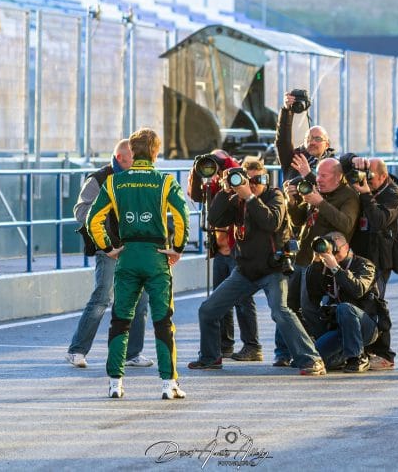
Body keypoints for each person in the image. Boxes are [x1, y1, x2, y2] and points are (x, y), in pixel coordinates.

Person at [187, 159, 326, 376]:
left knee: (280, 311)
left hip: (273, 269)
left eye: (256, 180)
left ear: (265, 180)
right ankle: (210, 357)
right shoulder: (237, 200)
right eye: (246, 180)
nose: (251, 185)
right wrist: (225, 191)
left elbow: (271, 222)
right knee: (208, 310)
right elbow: (215, 219)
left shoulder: (275, 196)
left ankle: (311, 359)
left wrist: (250, 198)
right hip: (245, 270)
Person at [86, 128, 189, 399]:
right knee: (163, 320)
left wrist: (108, 247)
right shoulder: (165, 181)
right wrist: (177, 248)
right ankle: (168, 383)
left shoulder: (114, 182)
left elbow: (93, 219)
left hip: (128, 254)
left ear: (132, 151)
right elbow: (182, 215)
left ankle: (115, 382)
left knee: (120, 319)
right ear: (155, 152)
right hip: (156, 255)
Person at [65, 139, 153, 370]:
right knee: (102, 297)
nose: (138, 162)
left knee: (141, 300)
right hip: (109, 249)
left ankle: (133, 353)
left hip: (135, 247)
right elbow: (81, 211)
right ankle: (77, 350)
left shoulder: (140, 177)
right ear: (120, 158)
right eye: (133, 158)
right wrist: (107, 236)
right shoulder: (98, 179)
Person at [272, 157, 359, 366]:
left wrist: (320, 202)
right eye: (317, 174)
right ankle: (283, 352)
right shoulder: (315, 189)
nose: (318, 179)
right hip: (302, 256)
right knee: (287, 305)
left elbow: (346, 225)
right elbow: (298, 221)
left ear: (338, 177)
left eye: (323, 175)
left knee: (308, 308)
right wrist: (293, 201)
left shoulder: (348, 196)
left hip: (322, 262)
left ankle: (315, 351)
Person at [188, 150, 262, 362]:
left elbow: (234, 173)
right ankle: (225, 343)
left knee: (243, 300)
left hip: (237, 251)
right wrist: (197, 169)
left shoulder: (236, 178)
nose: (214, 166)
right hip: (219, 251)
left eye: (218, 162)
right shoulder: (215, 185)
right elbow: (196, 196)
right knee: (221, 300)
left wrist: (225, 162)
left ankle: (252, 345)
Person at [344, 156, 398, 370]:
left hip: (380, 258)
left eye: (370, 178)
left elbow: (379, 221)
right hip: (360, 253)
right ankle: (363, 350)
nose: (366, 181)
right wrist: (354, 160)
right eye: (365, 176)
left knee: (375, 303)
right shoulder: (367, 184)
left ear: (383, 176)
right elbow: (342, 162)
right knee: (356, 301)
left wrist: (365, 194)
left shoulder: (394, 196)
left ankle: (385, 355)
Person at [306, 232, 391, 373]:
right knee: (316, 358)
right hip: (340, 329)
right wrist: (316, 263)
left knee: (345, 308)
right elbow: (313, 294)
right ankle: (349, 356)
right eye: (328, 251)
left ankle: (357, 358)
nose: (332, 255)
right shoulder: (325, 268)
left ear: (346, 247)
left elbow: (358, 290)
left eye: (336, 250)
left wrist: (336, 268)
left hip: (367, 327)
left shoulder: (364, 265)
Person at [275, 90, 336, 183]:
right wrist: (287, 110)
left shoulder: (334, 165)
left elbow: (328, 187)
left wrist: (307, 174)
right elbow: (283, 141)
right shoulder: (294, 160)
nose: (312, 142)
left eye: (318, 139)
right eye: (308, 139)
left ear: (327, 145)